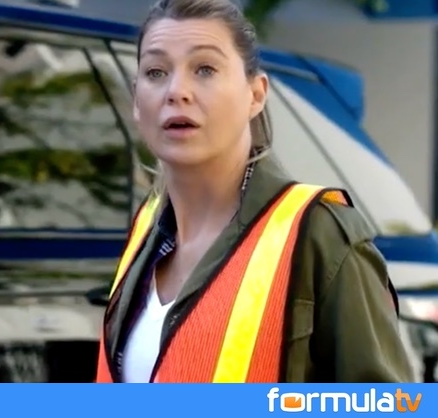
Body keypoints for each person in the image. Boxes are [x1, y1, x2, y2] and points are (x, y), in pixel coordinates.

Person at [95, 0, 414, 383]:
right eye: (156, 72)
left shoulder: (320, 234)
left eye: (205, 69)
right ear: (135, 99)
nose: (177, 91)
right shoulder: (145, 229)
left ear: (256, 94)